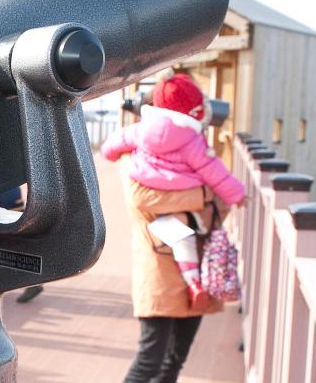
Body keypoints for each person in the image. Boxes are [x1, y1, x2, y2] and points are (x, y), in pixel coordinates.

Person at [95, 73, 246, 383]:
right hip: (161, 270)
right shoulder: (172, 155)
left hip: (185, 264)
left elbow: (111, 148)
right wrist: (206, 195)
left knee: (176, 354)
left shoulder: (139, 139)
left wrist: (204, 198)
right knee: (151, 355)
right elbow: (209, 196)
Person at [100, 74, 245, 310]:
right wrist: (237, 194)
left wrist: (111, 154)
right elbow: (214, 171)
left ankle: (193, 282)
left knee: (179, 237)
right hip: (186, 196)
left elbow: (115, 142)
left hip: (154, 198)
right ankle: (196, 282)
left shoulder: (140, 130)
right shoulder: (192, 139)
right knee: (189, 235)